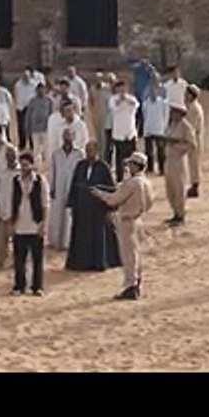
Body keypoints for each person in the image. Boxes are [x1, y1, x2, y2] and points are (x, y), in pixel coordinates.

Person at [93, 152, 154, 300]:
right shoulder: (146, 182)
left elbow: (114, 200)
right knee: (136, 254)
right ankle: (136, 283)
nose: (128, 167)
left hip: (128, 221)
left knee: (128, 256)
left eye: (130, 164)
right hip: (138, 220)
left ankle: (130, 286)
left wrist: (100, 194)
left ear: (136, 166)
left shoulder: (132, 183)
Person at [65, 140, 121, 272]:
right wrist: (72, 204)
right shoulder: (80, 165)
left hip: (97, 209)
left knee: (98, 237)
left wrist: (109, 208)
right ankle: (81, 263)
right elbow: (74, 185)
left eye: (91, 150)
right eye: (87, 150)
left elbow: (111, 188)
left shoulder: (103, 167)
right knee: (81, 237)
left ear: (97, 151)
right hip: (82, 209)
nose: (88, 153)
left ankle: (98, 263)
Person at [9, 151, 49, 296]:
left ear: (32, 165)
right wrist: (12, 223)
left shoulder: (40, 181)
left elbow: (45, 204)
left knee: (37, 258)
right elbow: (12, 202)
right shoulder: (16, 181)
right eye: (22, 165)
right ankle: (19, 285)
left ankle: (37, 286)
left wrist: (43, 224)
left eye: (26, 165)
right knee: (19, 258)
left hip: (35, 224)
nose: (24, 168)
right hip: (20, 224)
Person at [49, 128, 83, 249]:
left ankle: (67, 242)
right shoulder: (56, 154)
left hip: (72, 187)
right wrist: (52, 187)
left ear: (74, 137)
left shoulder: (79, 154)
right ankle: (55, 241)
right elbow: (53, 171)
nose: (67, 138)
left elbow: (80, 173)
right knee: (57, 214)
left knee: (69, 215)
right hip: (58, 187)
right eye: (65, 136)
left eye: (70, 136)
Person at [163, 104, 196, 227]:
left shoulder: (186, 127)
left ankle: (181, 214)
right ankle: (175, 212)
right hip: (169, 161)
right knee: (170, 189)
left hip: (179, 161)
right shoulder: (171, 125)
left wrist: (177, 147)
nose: (173, 114)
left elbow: (192, 145)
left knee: (179, 189)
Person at [141, 87, 168, 175]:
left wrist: (164, 127)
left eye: (155, 92)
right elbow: (145, 115)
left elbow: (165, 115)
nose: (153, 94)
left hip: (159, 129)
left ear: (157, 92)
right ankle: (150, 168)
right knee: (148, 151)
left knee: (161, 150)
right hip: (148, 129)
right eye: (151, 92)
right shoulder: (146, 103)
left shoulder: (162, 103)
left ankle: (162, 169)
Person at [184, 84, 204, 198]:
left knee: (194, 163)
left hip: (194, 139)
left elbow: (191, 126)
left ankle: (195, 186)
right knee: (192, 163)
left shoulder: (194, 108)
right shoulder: (192, 107)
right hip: (193, 138)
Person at [24, 82, 53, 158]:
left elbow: (52, 114)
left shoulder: (49, 101)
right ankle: (36, 163)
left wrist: (51, 127)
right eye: (39, 89)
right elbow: (28, 114)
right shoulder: (32, 101)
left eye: (42, 89)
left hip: (46, 128)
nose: (41, 91)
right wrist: (27, 126)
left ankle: (47, 163)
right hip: (35, 129)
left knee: (47, 148)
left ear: (45, 90)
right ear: (36, 90)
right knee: (36, 149)